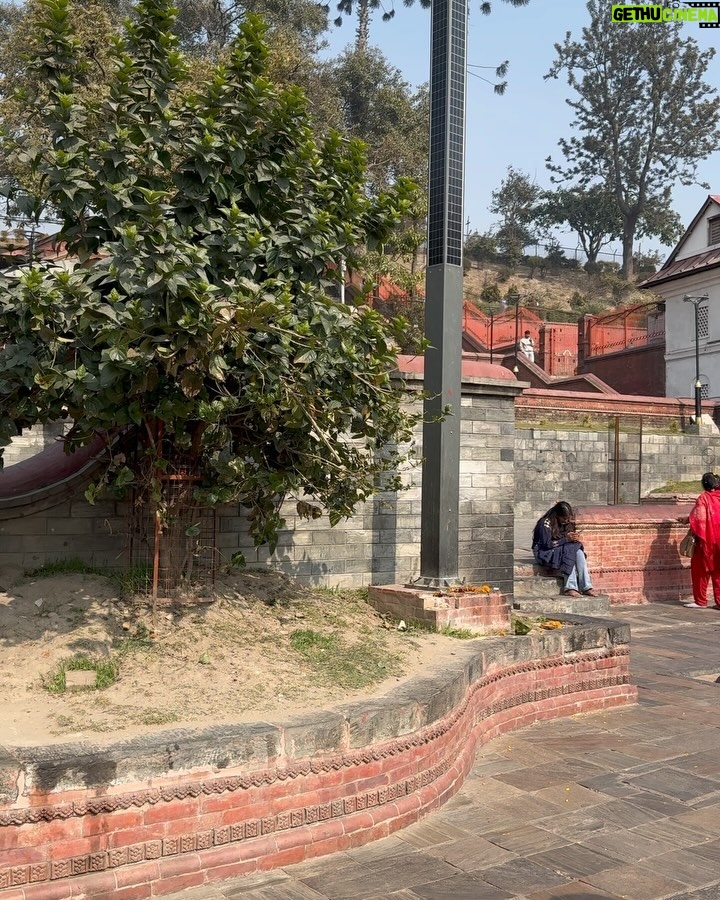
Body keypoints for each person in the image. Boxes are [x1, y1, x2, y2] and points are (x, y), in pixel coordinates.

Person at [532, 501, 597, 597]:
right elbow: (547, 545)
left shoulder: (566, 523)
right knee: (568, 552)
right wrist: (566, 539)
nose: (566, 521)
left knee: (578, 551)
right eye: (564, 518)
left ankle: (586, 586)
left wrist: (572, 538)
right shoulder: (545, 523)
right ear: (557, 515)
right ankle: (570, 587)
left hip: (561, 549)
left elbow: (567, 541)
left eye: (568, 518)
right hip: (544, 553)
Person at [685, 472, 720, 609]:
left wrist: (687, 521)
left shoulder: (704, 498)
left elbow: (698, 519)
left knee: (701, 571)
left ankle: (700, 601)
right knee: (718, 571)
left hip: (707, 541)